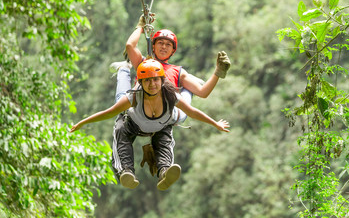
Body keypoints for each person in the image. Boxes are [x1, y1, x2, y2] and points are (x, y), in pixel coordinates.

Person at [70, 59, 230, 191]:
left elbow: (193, 112)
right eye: (147, 81)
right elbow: (110, 112)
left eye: (155, 79)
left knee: (165, 139)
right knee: (120, 128)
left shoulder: (170, 95)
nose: (152, 84)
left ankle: (164, 171)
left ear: (162, 80)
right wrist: (83, 122)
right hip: (133, 124)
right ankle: (125, 170)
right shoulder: (134, 97)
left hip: (161, 125)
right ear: (140, 82)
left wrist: (215, 124)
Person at [110, 14, 231, 124]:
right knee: (121, 105)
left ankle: (188, 87)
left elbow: (203, 92)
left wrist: (217, 73)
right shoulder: (145, 64)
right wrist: (141, 27)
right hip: (141, 109)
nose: (163, 47)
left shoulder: (178, 72)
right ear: (153, 46)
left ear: (173, 50)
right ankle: (124, 68)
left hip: (165, 113)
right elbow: (130, 46)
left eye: (168, 45)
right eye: (160, 43)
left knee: (181, 115)